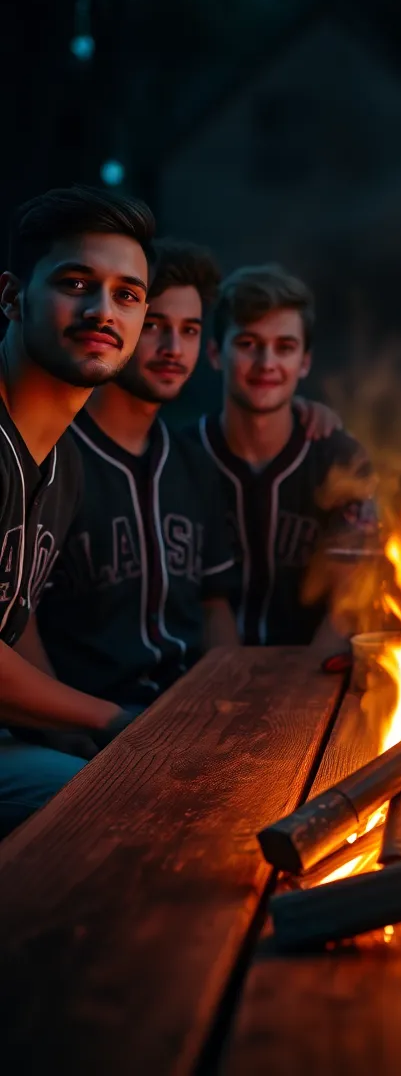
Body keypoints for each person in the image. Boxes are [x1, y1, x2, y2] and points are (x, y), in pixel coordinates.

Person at [22, 240, 240, 712]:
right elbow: (20, 625)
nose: (172, 349)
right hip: (84, 727)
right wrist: (69, 734)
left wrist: (230, 702)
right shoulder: (53, 455)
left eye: (190, 331)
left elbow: (213, 604)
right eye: (156, 325)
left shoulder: (193, 462)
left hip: (186, 715)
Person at [0, 184, 155, 835]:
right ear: (11, 296)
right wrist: (104, 718)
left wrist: (65, 727)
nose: (103, 310)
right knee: (125, 812)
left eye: (127, 294)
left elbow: (16, 617)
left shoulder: (63, 465)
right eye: (76, 282)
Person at [199, 263, 374, 646]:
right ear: (215, 353)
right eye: (248, 344)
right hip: (202, 678)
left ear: (305, 362)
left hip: (313, 677)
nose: (267, 364)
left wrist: (299, 697)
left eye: (285, 347)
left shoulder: (340, 459)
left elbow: (345, 608)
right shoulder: (184, 456)